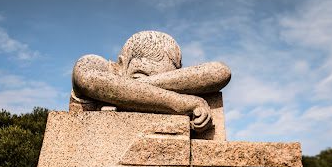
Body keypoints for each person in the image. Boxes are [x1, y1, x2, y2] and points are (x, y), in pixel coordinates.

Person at [71, 31, 231, 132]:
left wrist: (129, 90)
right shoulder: (98, 66)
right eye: (138, 77)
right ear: (121, 64)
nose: (153, 94)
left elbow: (220, 72)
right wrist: (180, 101)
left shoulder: (116, 80)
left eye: (167, 80)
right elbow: (87, 79)